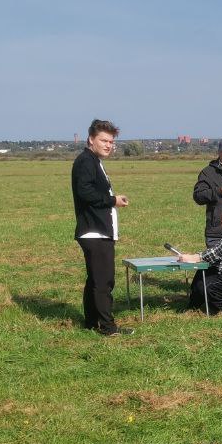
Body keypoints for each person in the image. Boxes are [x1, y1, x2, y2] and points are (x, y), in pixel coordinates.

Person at [72, 119, 132, 336]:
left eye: (111, 142)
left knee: (95, 280)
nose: (108, 145)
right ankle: (107, 327)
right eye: (104, 140)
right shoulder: (86, 162)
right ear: (91, 139)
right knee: (104, 281)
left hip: (97, 231)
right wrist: (112, 200)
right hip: (94, 231)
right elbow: (85, 192)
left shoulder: (92, 161)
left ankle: (91, 322)